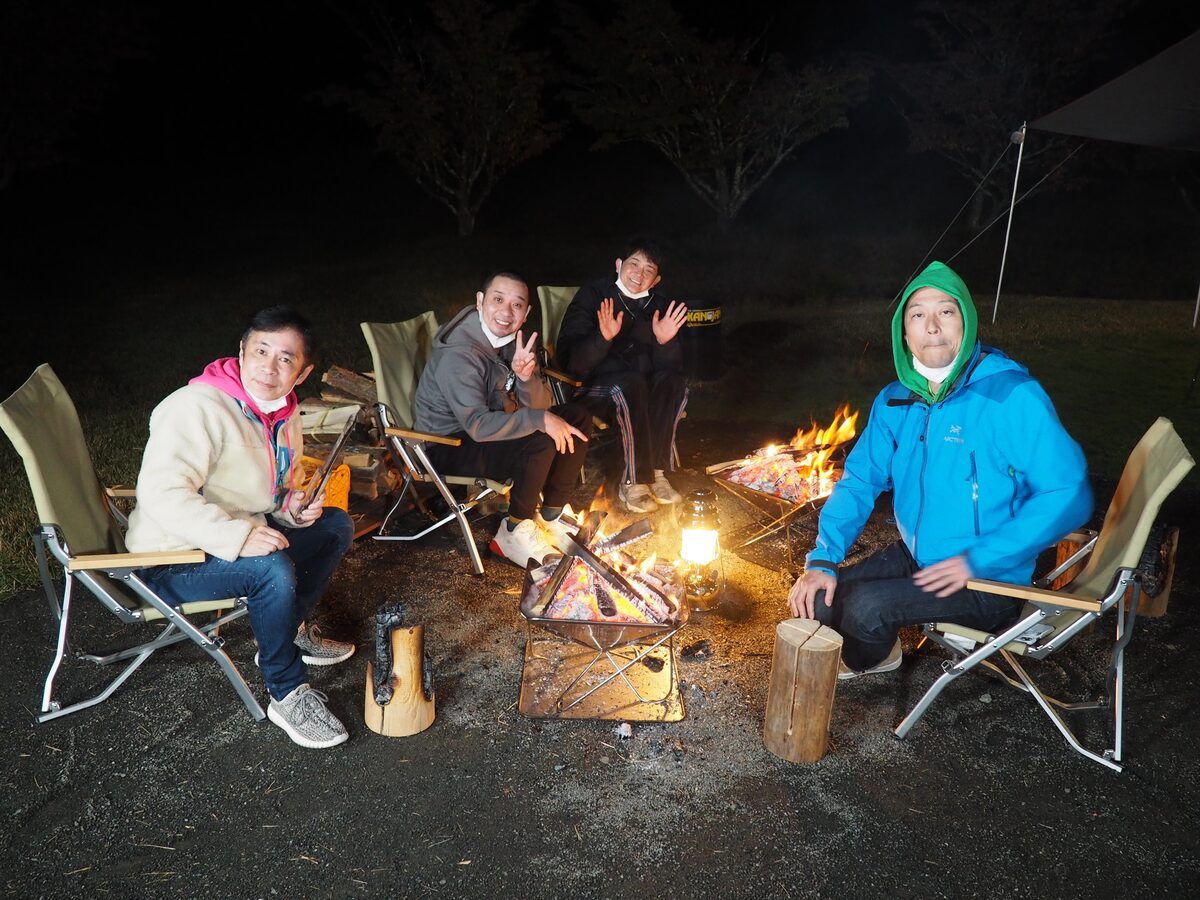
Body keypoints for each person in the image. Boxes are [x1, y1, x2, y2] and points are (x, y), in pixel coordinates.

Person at [787, 261, 1093, 679]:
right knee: (820, 599)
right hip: (919, 558)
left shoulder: (1011, 397)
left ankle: (873, 657)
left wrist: (978, 559)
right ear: (904, 333)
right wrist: (822, 558)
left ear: (965, 321)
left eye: (945, 311)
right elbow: (860, 480)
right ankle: (876, 640)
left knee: (862, 610)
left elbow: (1068, 492)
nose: (932, 326)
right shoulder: (895, 401)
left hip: (986, 581)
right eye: (917, 315)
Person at [126, 306, 356, 749]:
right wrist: (240, 537)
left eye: (285, 358)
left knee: (334, 526)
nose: (269, 367)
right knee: (271, 569)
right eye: (260, 351)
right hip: (169, 559)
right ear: (241, 352)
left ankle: (287, 629)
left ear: (303, 371)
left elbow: (271, 493)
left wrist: (293, 508)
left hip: (229, 539)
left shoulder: (282, 413)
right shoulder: (194, 408)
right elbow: (161, 494)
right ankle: (286, 691)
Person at [413, 270, 591, 568]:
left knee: (576, 417)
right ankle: (513, 530)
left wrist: (524, 379)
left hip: (484, 431)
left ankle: (551, 513)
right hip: (447, 445)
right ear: (480, 301)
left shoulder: (510, 342)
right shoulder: (459, 355)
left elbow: (540, 406)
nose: (507, 312)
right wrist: (538, 420)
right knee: (538, 440)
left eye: (517, 305)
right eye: (498, 299)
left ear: (526, 313)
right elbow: (479, 426)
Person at [555, 238, 689, 514]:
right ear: (619, 265)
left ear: (656, 279)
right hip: (592, 387)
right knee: (629, 384)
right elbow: (573, 364)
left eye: (648, 270)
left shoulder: (660, 305)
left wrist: (666, 343)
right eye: (633, 264)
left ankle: (657, 471)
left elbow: (671, 367)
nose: (638, 275)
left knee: (674, 383)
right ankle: (633, 480)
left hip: (639, 388)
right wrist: (601, 339)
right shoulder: (593, 295)